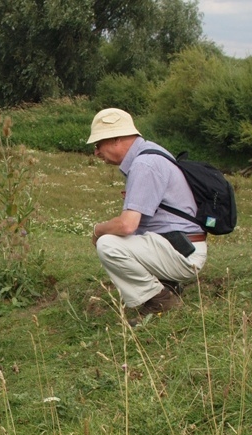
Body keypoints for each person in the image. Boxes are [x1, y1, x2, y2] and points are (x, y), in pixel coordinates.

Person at [87, 108, 207, 323]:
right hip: (181, 246)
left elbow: (127, 226)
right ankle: (167, 284)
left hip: (183, 253)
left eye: (98, 144)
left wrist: (98, 230)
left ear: (116, 139)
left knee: (108, 244)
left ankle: (160, 300)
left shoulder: (145, 164)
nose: (96, 152)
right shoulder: (151, 154)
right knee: (119, 240)